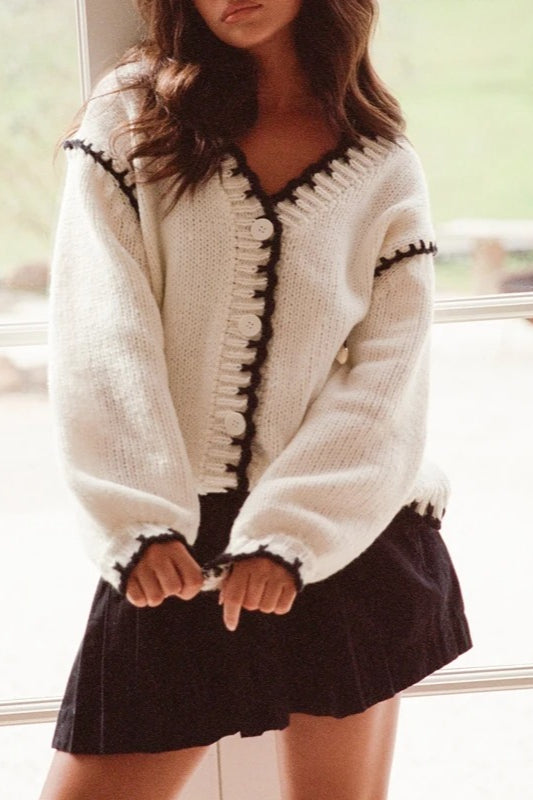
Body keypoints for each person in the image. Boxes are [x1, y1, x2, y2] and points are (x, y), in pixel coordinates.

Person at [39, 1, 473, 798]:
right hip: (168, 548)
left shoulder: (381, 161)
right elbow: (100, 332)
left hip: (346, 539)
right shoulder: (129, 120)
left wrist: (292, 536)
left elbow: (387, 377)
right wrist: (137, 520)